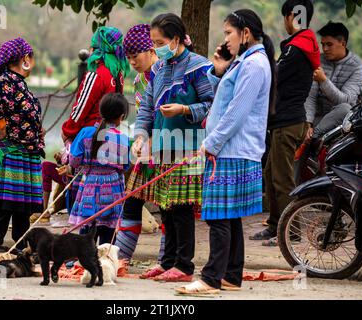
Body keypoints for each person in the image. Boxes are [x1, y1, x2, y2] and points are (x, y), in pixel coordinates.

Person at [176, 9, 275, 294]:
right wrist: (219, 71)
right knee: (229, 215)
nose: (226, 40)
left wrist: (211, 143)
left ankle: (210, 278)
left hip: (233, 150)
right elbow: (227, 99)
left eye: (228, 33)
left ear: (245, 33)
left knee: (218, 215)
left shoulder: (255, 65)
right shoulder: (244, 63)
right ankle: (231, 275)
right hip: (231, 149)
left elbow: (237, 112)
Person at [133, 13, 214, 282]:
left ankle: (184, 266)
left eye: (159, 42)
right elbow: (146, 106)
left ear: (176, 39)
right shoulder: (158, 69)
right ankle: (167, 262)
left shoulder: (199, 68)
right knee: (164, 207)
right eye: (153, 43)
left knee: (181, 209)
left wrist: (184, 109)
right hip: (162, 147)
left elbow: (211, 105)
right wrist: (141, 136)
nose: (155, 48)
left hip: (187, 149)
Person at [251, 0, 320, 245]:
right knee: (271, 175)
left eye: (285, 17)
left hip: (288, 122)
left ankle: (291, 232)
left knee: (282, 180)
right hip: (286, 120)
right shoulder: (302, 46)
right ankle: (274, 225)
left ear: (292, 16)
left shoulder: (295, 49)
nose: (285, 22)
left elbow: (272, 77)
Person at [60, 26, 130, 214]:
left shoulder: (96, 73)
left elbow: (81, 108)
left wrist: (67, 132)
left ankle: (81, 225)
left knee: (83, 188)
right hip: (111, 137)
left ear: (97, 48)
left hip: (90, 137)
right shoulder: (118, 73)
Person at [0, 38, 44, 250]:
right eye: (31, 58)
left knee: (21, 206)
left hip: (25, 151)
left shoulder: (16, 81)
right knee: (6, 203)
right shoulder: (6, 81)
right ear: (24, 59)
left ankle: (20, 247)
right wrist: (1, 126)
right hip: (12, 150)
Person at [114, 24, 165, 263]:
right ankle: (120, 258)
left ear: (151, 50)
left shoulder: (165, 73)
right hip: (145, 149)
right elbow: (143, 114)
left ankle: (168, 261)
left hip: (168, 148)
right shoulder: (138, 80)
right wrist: (140, 139)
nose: (132, 62)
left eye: (136, 57)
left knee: (168, 206)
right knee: (132, 201)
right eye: (129, 58)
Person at [60, 93, 130, 245]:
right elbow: (125, 166)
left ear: (101, 111)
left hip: (90, 188)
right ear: (122, 116)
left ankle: (83, 263)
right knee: (108, 237)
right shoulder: (123, 139)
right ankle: (106, 265)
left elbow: (74, 160)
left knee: (86, 235)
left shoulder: (86, 133)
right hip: (113, 191)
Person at [304, 21, 362, 144]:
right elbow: (311, 95)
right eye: (323, 44)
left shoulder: (356, 66)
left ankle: (313, 138)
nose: (325, 49)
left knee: (345, 108)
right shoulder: (318, 60)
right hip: (316, 118)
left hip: (340, 121)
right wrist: (307, 123)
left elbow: (346, 101)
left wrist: (324, 81)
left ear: (343, 43)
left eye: (329, 44)